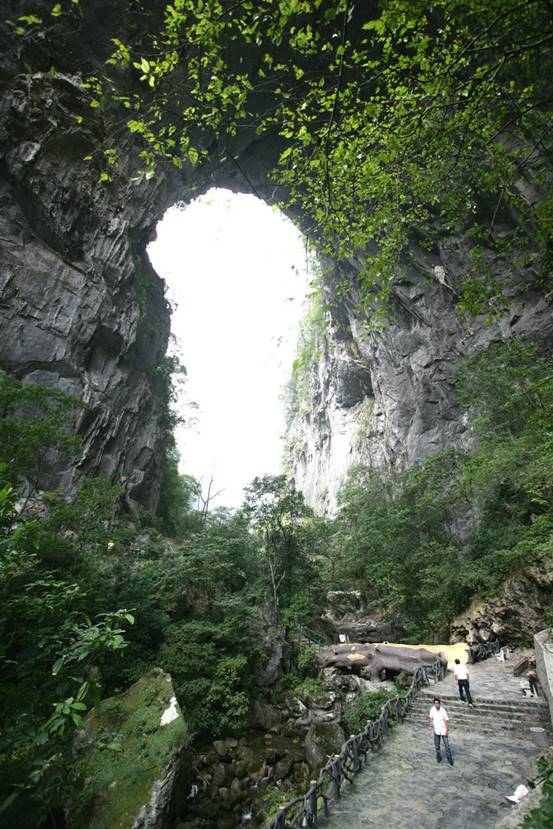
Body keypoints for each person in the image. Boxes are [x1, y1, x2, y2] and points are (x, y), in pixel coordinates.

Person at [429, 697, 454, 766]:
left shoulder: (443, 710)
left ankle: (450, 759)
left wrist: (447, 730)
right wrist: (431, 722)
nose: (436, 705)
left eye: (437, 703)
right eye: (435, 703)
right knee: (437, 745)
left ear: (439, 704)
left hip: (443, 730)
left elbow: (446, 720)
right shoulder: (432, 709)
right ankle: (438, 756)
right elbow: (430, 717)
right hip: (436, 730)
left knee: (447, 745)